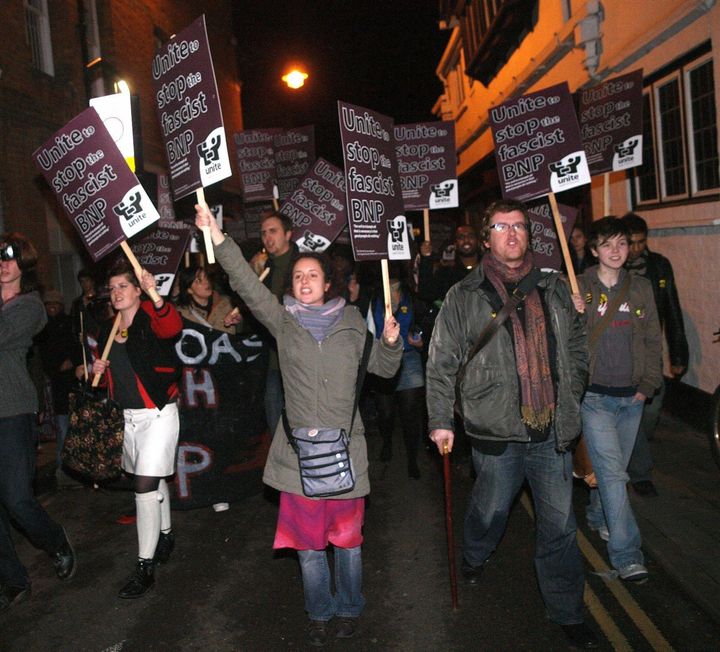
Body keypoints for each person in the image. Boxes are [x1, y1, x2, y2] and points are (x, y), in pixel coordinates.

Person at [195, 204, 402, 647]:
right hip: (298, 457)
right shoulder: (283, 322)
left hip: (347, 452)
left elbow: (383, 370)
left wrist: (390, 341)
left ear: (329, 284)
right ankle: (319, 611)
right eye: (299, 276)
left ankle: (349, 607)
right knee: (310, 548)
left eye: (314, 275)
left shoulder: (351, 322)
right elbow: (248, 286)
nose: (305, 281)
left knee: (347, 544)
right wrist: (217, 236)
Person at [426, 200, 597, 649]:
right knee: (491, 510)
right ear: (487, 238)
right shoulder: (465, 295)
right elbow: (441, 363)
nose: (512, 233)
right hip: (496, 428)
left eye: (519, 226)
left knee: (559, 526)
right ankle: (475, 552)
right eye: (501, 226)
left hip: (552, 432)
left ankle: (567, 609)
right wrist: (441, 419)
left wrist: (572, 393)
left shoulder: (556, 287)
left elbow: (577, 348)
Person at [573, 217, 662, 584]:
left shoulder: (640, 288)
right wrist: (571, 309)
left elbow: (653, 339)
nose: (616, 251)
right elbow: (564, 339)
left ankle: (598, 516)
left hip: (632, 397)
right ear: (594, 250)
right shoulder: (579, 287)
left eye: (622, 244)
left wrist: (649, 383)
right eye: (607, 244)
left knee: (610, 473)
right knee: (613, 475)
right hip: (595, 397)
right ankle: (627, 556)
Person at [91, 258, 183, 599]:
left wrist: (155, 296)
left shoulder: (150, 318)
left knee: (144, 486)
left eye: (123, 286)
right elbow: (103, 381)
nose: (116, 293)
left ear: (137, 289)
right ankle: (167, 534)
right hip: (128, 419)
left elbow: (173, 327)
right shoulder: (109, 330)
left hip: (158, 415)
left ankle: (145, 566)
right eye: (112, 288)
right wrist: (97, 369)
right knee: (154, 480)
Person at [0, 233, 76, 613]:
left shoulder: (30, 307)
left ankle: (56, 540)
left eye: (9, 258)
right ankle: (13, 578)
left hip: (12, 410)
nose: (3, 263)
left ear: (24, 267)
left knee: (16, 499)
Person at [620, 212, 689, 497]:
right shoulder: (612, 265)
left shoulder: (659, 266)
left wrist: (679, 352)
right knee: (633, 410)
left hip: (650, 351)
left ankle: (636, 446)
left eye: (641, 242)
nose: (636, 248)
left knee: (651, 409)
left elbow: (672, 307)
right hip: (621, 353)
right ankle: (640, 472)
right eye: (631, 242)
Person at [369, 262, 426, 478]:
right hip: (382, 359)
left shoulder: (412, 297)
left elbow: (426, 320)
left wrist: (421, 339)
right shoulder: (373, 298)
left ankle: (412, 458)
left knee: (411, 414)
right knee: (385, 412)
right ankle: (387, 442)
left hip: (408, 359)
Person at [249, 211, 298, 436]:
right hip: (270, 358)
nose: (267, 238)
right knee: (274, 422)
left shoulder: (302, 266)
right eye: (263, 233)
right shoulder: (263, 268)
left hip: (297, 357)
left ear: (288, 234)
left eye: (273, 231)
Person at [34, 288, 79, 481]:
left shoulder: (69, 324)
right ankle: (62, 468)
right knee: (60, 426)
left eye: (55, 304)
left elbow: (78, 348)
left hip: (69, 383)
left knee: (68, 425)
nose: (52, 307)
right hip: (51, 383)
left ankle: (69, 467)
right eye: (48, 304)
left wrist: (71, 360)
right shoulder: (41, 327)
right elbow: (40, 356)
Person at [417, 223, 481, 304]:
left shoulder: (488, 269)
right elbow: (426, 294)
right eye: (461, 237)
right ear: (455, 244)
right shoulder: (446, 273)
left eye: (470, 236)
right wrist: (426, 259)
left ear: (478, 241)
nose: (466, 240)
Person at [175, 264, 242, 334]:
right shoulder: (182, 314)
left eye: (206, 277)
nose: (206, 282)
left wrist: (238, 318)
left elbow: (243, 329)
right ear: (189, 290)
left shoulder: (226, 302)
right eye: (199, 280)